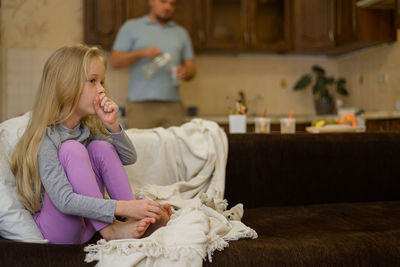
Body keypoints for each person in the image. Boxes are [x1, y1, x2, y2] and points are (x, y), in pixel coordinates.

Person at [11, 44, 171, 244]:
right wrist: (122, 207)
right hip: (58, 231)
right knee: (72, 148)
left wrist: (111, 125)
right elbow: (65, 201)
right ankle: (111, 230)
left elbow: (129, 158)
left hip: (86, 227)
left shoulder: (87, 131)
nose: (102, 89)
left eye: (102, 81)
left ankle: (132, 221)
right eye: (93, 81)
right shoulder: (46, 137)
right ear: (66, 85)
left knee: (101, 147)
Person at [111, 0, 196, 129]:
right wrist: (142, 53)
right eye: (163, 1)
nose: (168, 6)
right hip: (140, 106)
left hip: (173, 106)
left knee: (175, 149)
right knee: (142, 148)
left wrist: (186, 71)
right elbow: (115, 61)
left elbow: (191, 68)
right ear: (151, 2)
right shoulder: (131, 27)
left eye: (172, 4)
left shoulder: (181, 33)